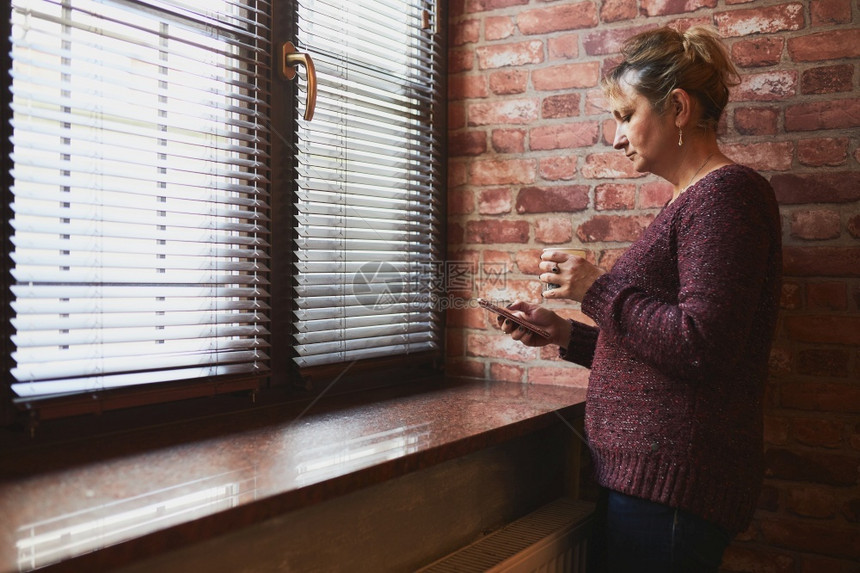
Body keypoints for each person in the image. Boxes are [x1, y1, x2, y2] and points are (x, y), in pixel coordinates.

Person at [497, 26, 782, 572]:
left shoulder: (725, 197)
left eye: (626, 115)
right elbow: (657, 350)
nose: (616, 136)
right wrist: (563, 333)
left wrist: (597, 290)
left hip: (673, 489)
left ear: (677, 107)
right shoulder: (694, 201)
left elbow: (703, 345)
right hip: (653, 484)